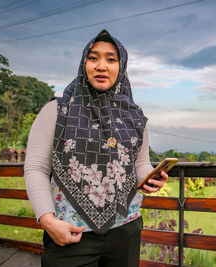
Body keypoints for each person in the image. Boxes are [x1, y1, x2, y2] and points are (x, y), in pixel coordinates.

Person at [24, 29, 168, 267]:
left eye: (111, 59)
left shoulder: (135, 117)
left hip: (126, 228)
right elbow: (36, 168)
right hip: (70, 232)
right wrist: (48, 222)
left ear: (121, 67)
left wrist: (150, 177)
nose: (102, 66)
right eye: (93, 58)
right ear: (84, 64)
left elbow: (140, 164)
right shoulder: (57, 110)